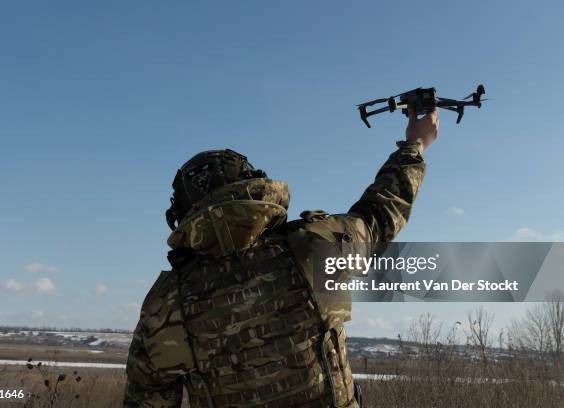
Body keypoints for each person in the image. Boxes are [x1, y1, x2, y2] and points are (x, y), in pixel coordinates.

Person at [124, 108, 439, 407]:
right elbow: (379, 215)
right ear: (254, 187)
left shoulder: (167, 304)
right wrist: (415, 145)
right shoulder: (312, 246)